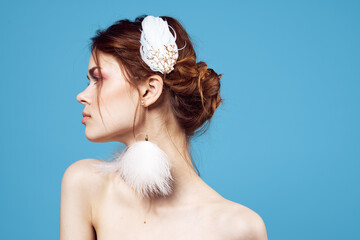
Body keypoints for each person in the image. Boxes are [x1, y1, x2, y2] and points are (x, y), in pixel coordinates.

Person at [60, 15, 268, 240]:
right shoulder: (86, 184)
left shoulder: (240, 228)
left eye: (98, 79)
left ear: (149, 90)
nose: (81, 96)